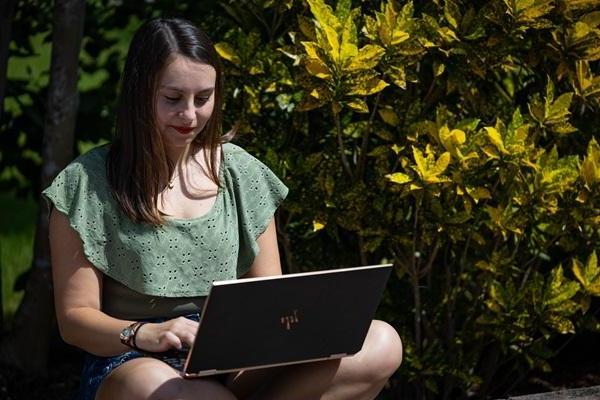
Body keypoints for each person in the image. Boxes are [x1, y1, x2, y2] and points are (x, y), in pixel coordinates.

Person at [43, 17, 403, 400]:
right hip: (134, 359)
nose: (190, 116)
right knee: (180, 392)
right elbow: (75, 320)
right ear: (138, 93)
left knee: (381, 342)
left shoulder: (239, 173)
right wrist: (142, 332)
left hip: (234, 359)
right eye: (172, 99)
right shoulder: (87, 183)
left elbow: (269, 300)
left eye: (204, 98)